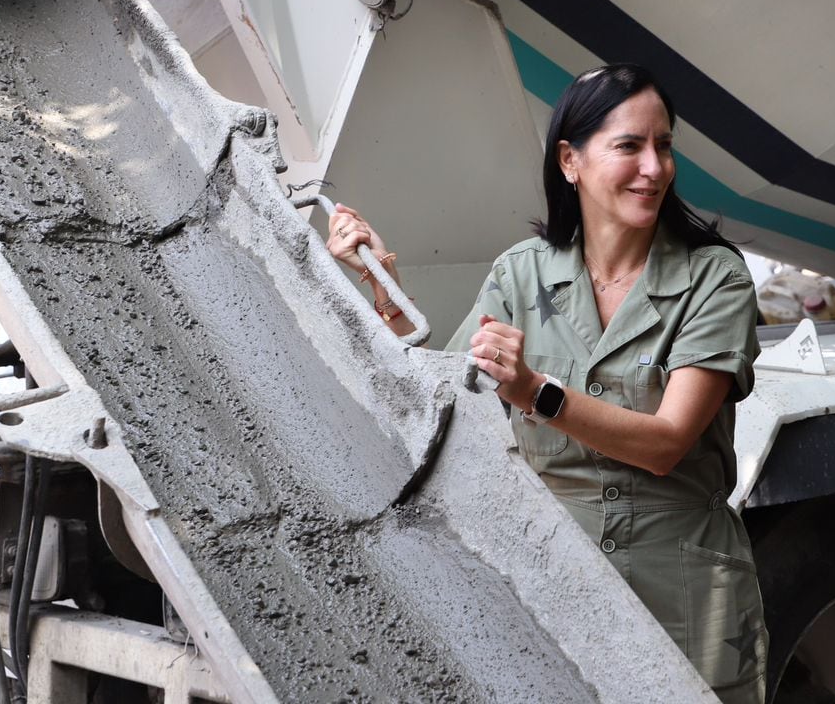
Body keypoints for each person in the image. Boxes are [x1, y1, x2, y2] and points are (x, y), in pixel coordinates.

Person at [326, 64, 767, 704]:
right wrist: (381, 283)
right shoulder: (520, 273)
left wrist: (536, 392)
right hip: (551, 580)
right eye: (629, 146)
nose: (655, 167)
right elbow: (444, 404)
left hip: (684, 592)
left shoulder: (715, 278)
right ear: (569, 161)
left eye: (664, 145)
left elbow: (666, 443)